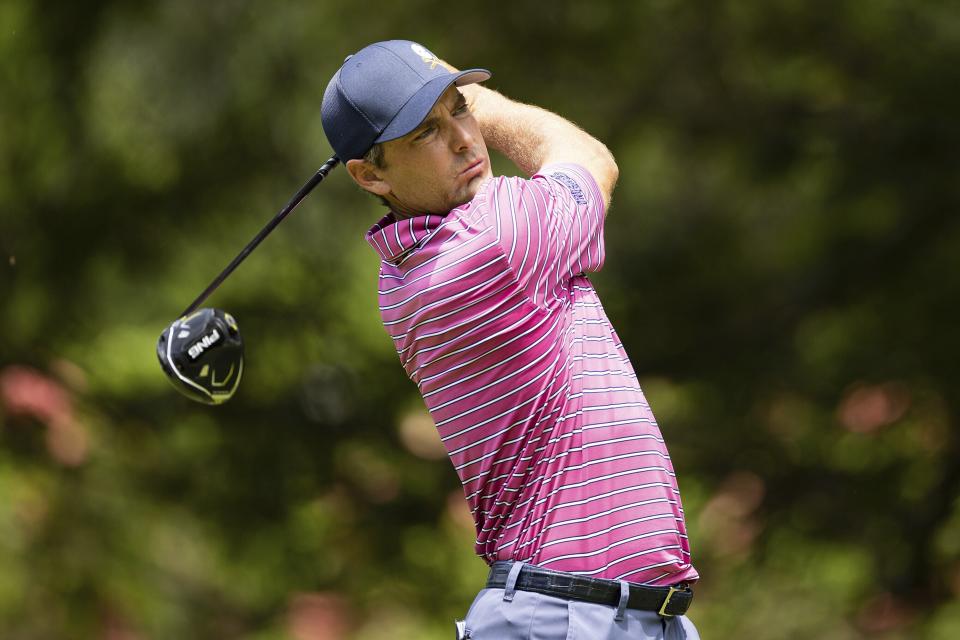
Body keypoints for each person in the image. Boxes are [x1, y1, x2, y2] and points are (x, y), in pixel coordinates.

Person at [321, 40, 700, 640]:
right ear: (369, 175)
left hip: (619, 616)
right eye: (425, 132)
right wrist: (491, 106)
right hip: (567, 617)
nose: (465, 140)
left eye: (459, 111)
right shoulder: (495, 239)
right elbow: (590, 157)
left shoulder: (400, 277)